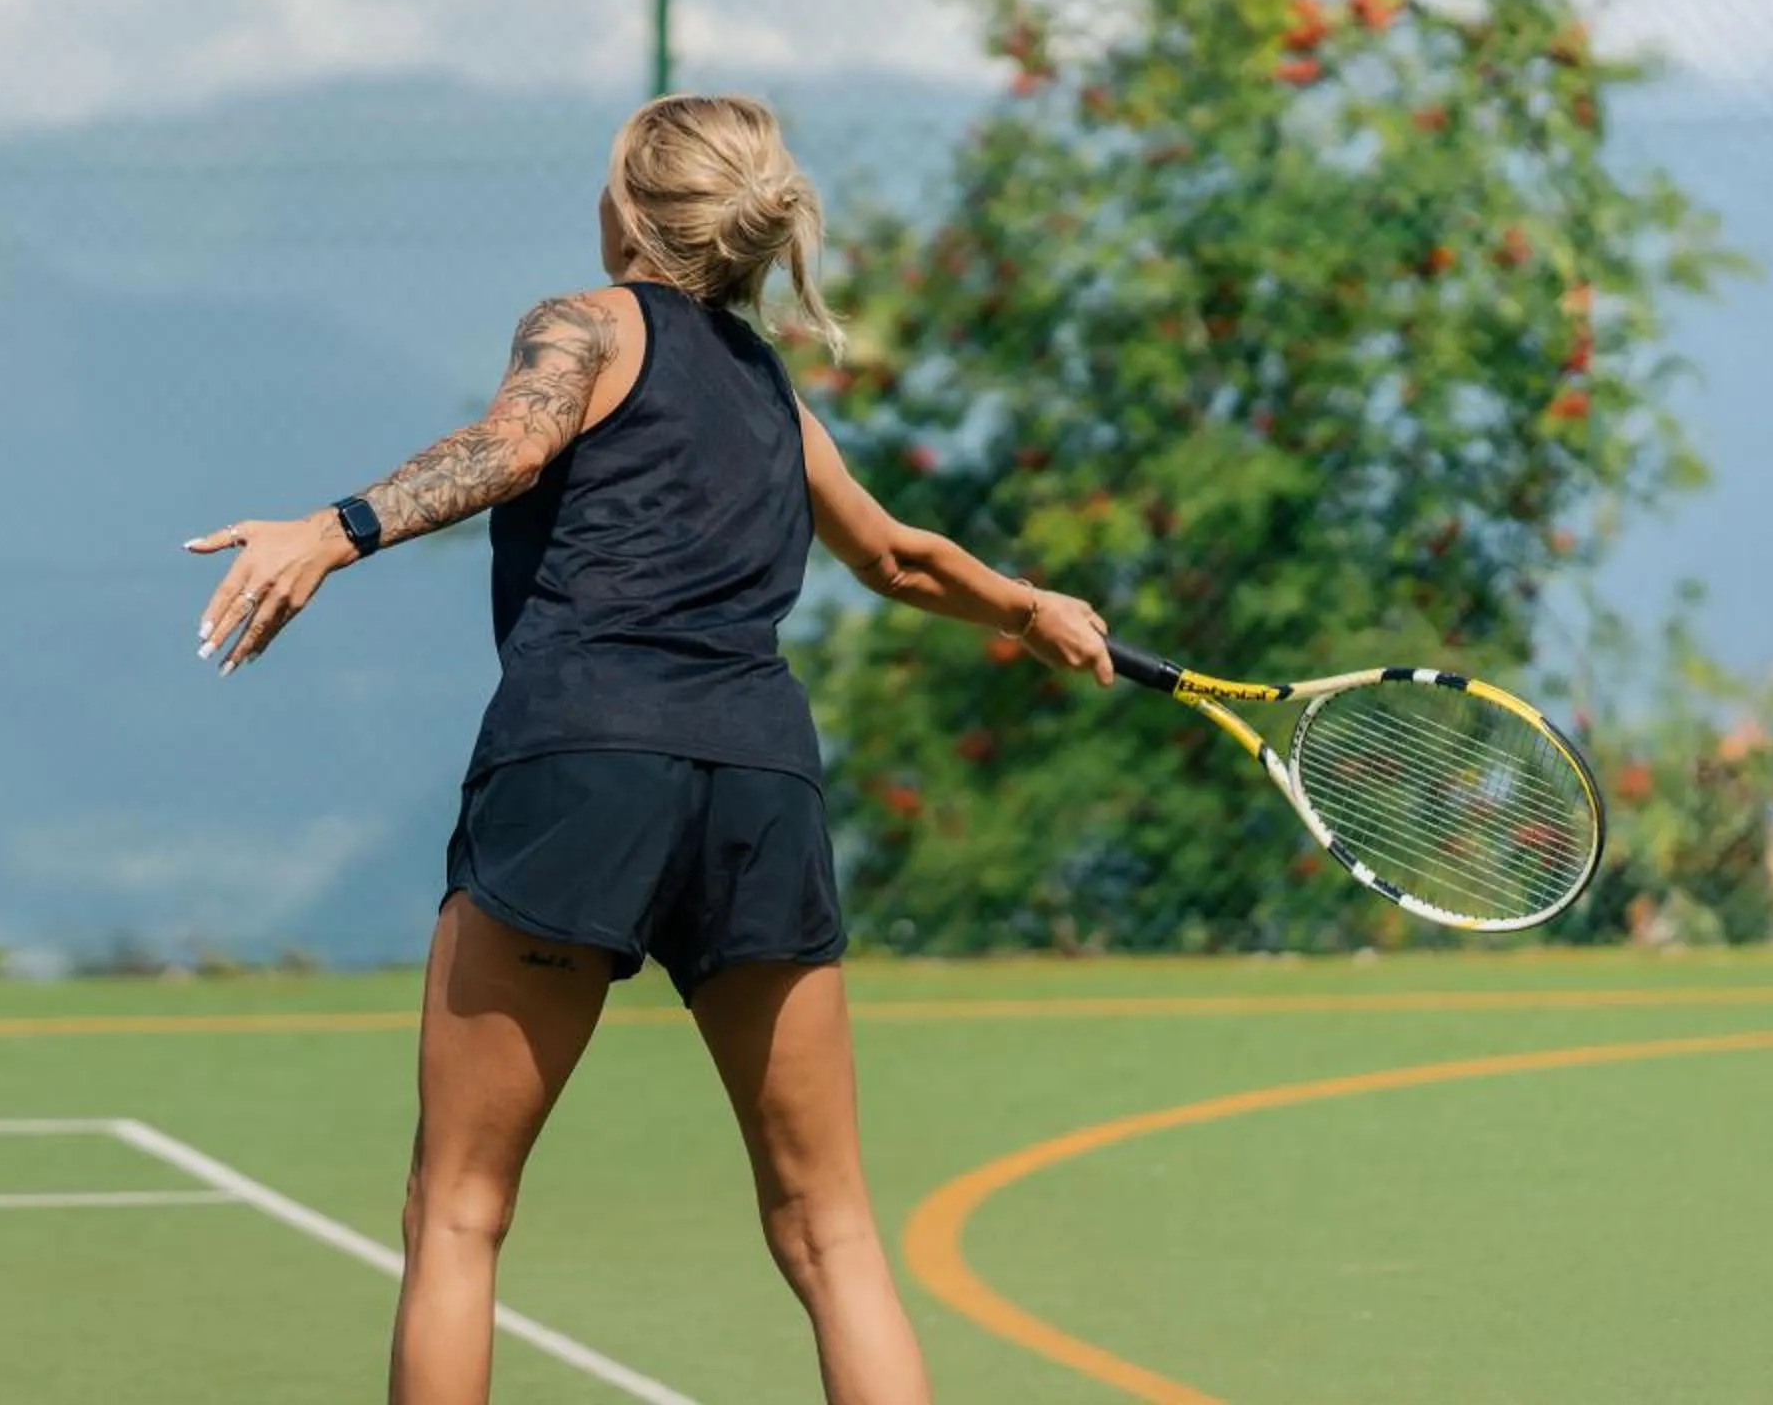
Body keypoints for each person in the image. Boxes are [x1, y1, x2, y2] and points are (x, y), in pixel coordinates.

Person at [188, 94, 1115, 1403]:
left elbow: (512, 446)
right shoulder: (770, 390)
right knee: (830, 1230)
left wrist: (333, 529)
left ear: (628, 208)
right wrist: (1026, 606)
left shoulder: (589, 323)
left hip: (585, 762)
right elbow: (897, 555)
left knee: (456, 1209)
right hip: (759, 788)